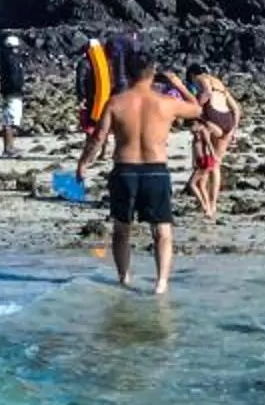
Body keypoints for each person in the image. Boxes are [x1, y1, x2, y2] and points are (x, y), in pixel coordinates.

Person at [98, 49, 200, 295]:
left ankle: (124, 278)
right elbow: (196, 109)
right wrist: (177, 83)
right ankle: (161, 284)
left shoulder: (116, 102)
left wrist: (83, 164)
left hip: (124, 170)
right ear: (153, 72)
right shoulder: (166, 102)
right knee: (162, 231)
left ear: (128, 73)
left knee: (122, 229)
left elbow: (99, 137)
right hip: (155, 170)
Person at [184, 65, 241, 219]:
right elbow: (236, 108)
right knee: (216, 164)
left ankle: (205, 201)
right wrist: (234, 129)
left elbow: (207, 93)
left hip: (213, 118)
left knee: (204, 160)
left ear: (193, 75)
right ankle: (213, 204)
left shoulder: (201, 78)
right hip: (228, 120)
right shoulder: (220, 84)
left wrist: (195, 106)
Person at [73, 36, 115, 170]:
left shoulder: (84, 63)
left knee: (89, 126)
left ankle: (89, 153)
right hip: (105, 98)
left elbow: (80, 81)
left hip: (90, 99)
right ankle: (104, 152)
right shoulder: (106, 62)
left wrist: (81, 97)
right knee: (104, 125)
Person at [0, 33, 28, 157]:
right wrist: (18, 88)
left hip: (9, 92)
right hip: (13, 93)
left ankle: (9, 147)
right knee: (11, 121)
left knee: (9, 119)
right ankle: (8, 148)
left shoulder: (6, 58)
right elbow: (14, 77)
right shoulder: (12, 59)